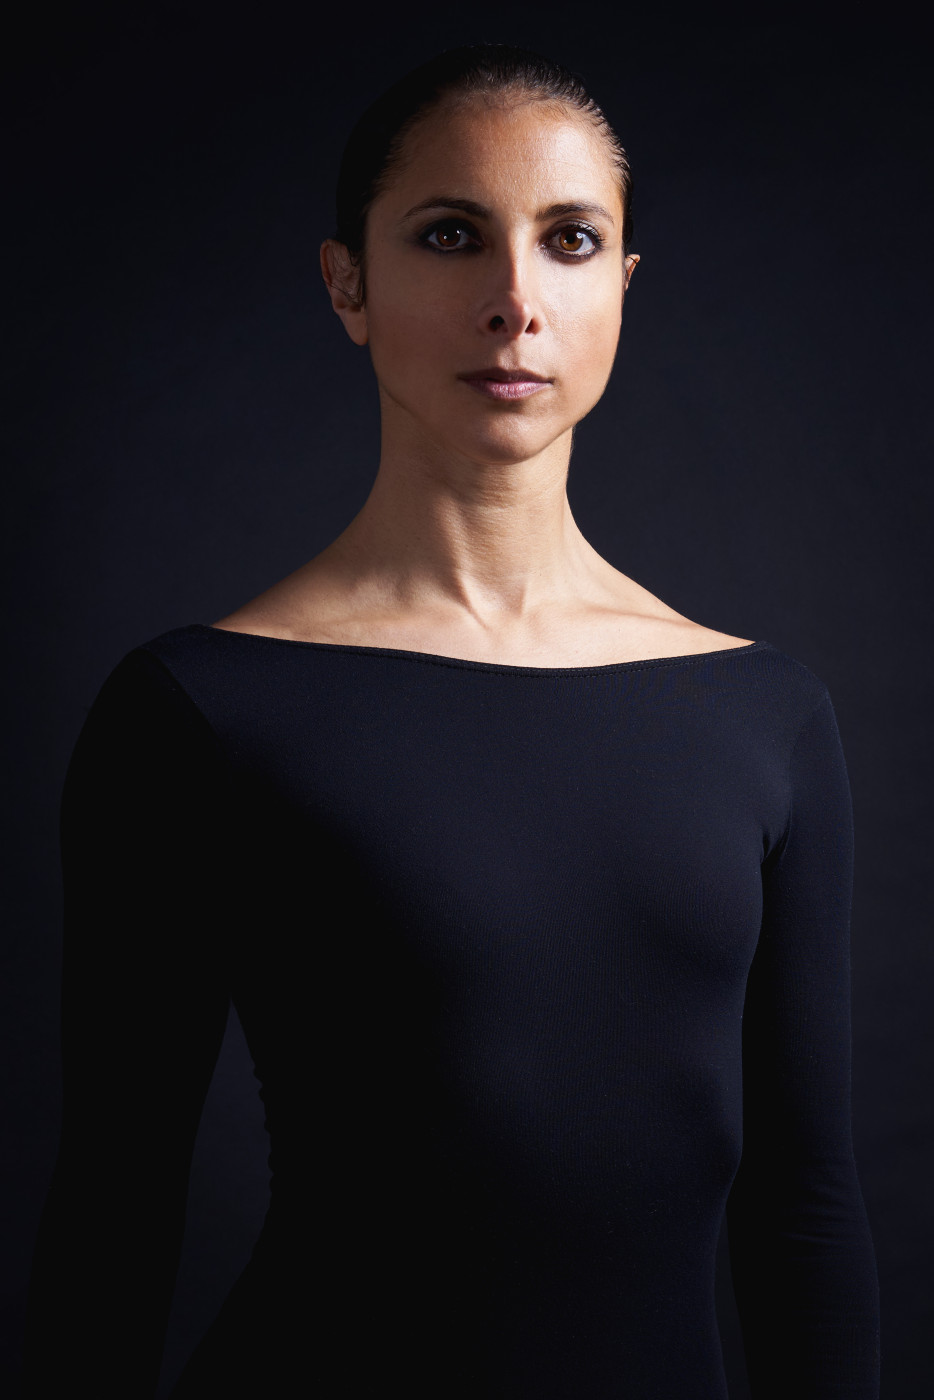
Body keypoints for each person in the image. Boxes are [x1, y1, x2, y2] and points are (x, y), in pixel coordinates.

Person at [22, 43, 880, 1399]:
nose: (514, 302)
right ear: (346, 284)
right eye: (448, 235)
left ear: (623, 284)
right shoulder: (199, 712)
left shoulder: (768, 715)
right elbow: (114, 1210)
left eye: (568, 240)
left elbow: (806, 1207)